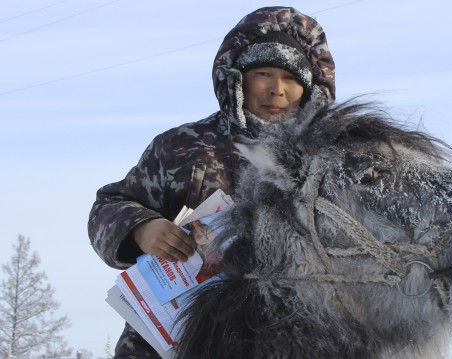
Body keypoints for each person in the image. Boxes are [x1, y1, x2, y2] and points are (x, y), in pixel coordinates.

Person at [87, 6, 336, 358]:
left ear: (310, 87)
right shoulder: (181, 145)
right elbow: (107, 206)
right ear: (237, 78)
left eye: (291, 78)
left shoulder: (333, 161)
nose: (277, 90)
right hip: (172, 343)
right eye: (263, 73)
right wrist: (142, 229)